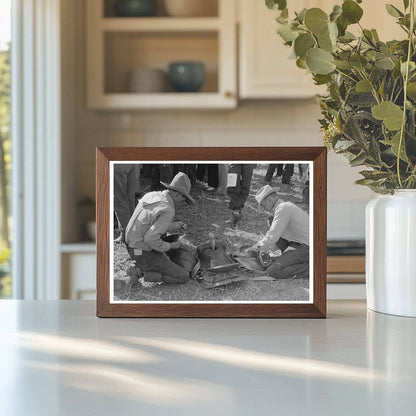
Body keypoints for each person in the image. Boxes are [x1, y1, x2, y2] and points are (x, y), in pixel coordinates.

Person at [125, 172, 196, 285]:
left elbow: (148, 223)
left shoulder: (152, 195)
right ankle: (140, 272)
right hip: (142, 253)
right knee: (183, 276)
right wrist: (170, 246)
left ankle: (141, 264)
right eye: (184, 198)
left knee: (166, 251)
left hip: (132, 247)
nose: (183, 202)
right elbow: (150, 239)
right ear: (178, 194)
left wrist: (173, 225)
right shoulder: (168, 209)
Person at [247, 185, 309, 279]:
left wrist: (255, 248)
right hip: (299, 243)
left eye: (263, 205)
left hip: (307, 246)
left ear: (270, 200)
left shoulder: (283, 208)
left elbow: (273, 236)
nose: (263, 209)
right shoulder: (282, 208)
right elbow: (279, 238)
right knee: (271, 220)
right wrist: (265, 250)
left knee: (273, 271)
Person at [113, 163, 141, 243]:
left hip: (118, 164)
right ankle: (131, 231)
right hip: (132, 162)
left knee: (120, 199)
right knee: (130, 199)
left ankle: (126, 233)